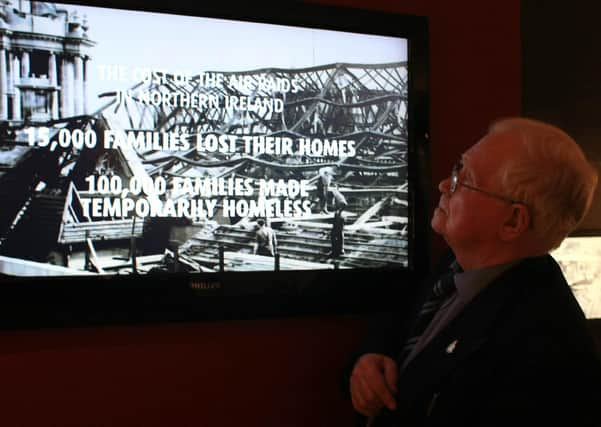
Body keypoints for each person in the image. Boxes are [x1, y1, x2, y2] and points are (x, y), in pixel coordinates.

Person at [344, 118, 601, 427]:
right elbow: (405, 317)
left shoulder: (546, 350)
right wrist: (373, 355)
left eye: (463, 180)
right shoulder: (460, 261)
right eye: (457, 168)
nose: (443, 185)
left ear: (512, 222)